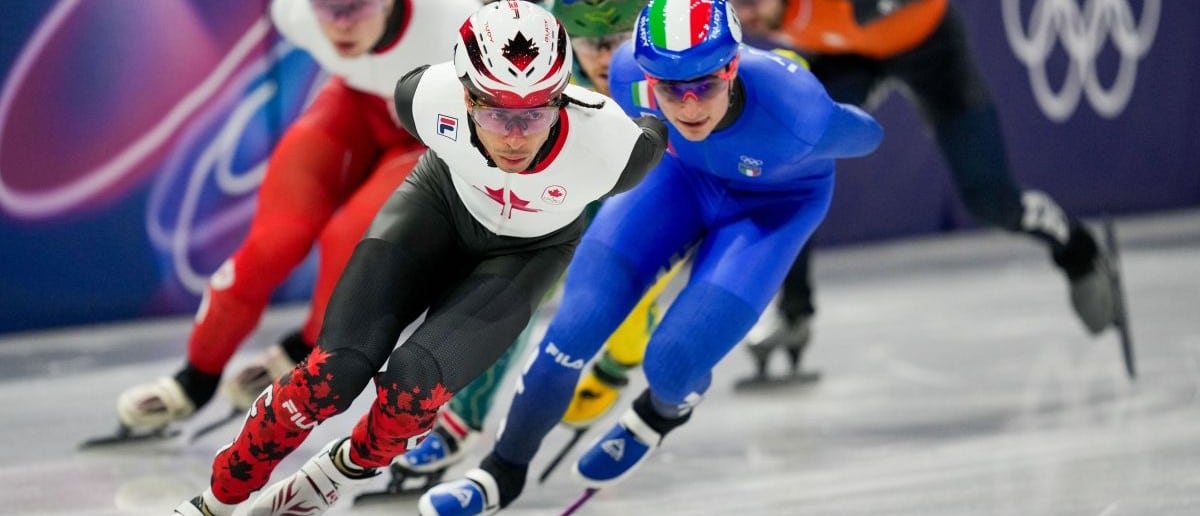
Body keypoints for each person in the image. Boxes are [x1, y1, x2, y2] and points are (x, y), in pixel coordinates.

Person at [172, 2, 667, 515]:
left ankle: (338, 471)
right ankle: (213, 501)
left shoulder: (617, 150)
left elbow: (673, 117)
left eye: (536, 114)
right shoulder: (426, 97)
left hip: (528, 251)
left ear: (564, 99)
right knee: (329, 375)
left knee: (413, 387)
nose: (516, 135)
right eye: (497, 112)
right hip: (438, 207)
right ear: (465, 97)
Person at [420, 1, 883, 513]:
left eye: (704, 85)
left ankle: (659, 413)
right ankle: (499, 472)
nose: (687, 107)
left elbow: (868, 134)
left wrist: (812, 91)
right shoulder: (626, 76)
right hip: (680, 178)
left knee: (672, 361)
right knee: (570, 333)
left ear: (732, 66)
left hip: (773, 206)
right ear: (647, 77)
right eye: (669, 89)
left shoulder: (798, 111)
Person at [114, 0, 481, 436]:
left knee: (350, 242)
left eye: (355, 9)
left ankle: (304, 346)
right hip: (354, 106)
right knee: (274, 242)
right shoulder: (293, 12)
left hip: (426, 136)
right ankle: (194, 378)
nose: (340, 25)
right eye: (328, 9)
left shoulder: (457, 23)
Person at [726, 0, 1117, 378]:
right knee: (792, 158)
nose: (747, 16)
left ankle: (1077, 248)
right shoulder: (732, 17)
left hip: (929, 44)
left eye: (753, 2)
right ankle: (794, 310)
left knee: (990, 199)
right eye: (737, 4)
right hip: (845, 54)